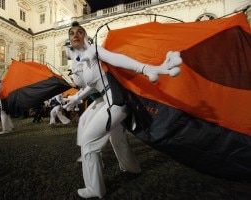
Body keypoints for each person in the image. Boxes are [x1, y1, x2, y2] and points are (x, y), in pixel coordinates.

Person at [63, 22, 182, 198]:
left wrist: (144, 68)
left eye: (80, 32)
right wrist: (76, 97)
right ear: (69, 40)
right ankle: (131, 167)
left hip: (115, 102)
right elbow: (92, 85)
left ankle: (94, 189)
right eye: (72, 33)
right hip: (112, 101)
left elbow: (117, 59)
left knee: (88, 142)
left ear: (85, 36)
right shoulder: (86, 61)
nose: (75, 35)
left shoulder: (95, 50)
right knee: (116, 137)